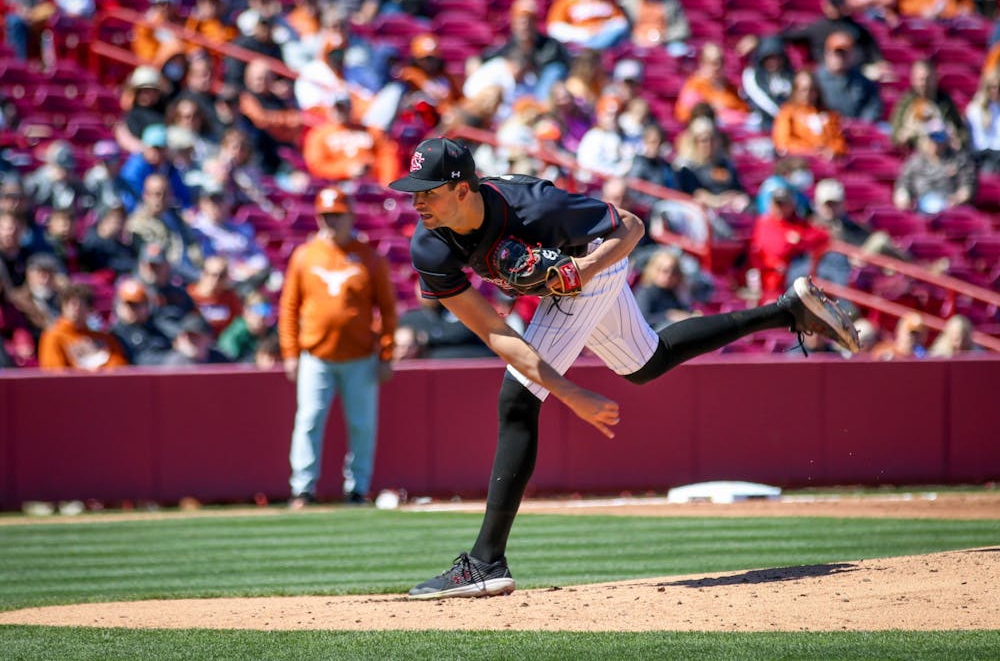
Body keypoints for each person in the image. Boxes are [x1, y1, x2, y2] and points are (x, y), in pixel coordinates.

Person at [387, 137, 859, 599]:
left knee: (517, 399)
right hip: (565, 282)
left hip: (594, 259)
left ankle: (487, 561)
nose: (418, 202)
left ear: (463, 189)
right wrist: (570, 391)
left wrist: (583, 272)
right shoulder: (429, 247)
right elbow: (497, 335)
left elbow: (630, 227)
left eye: (429, 191)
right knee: (646, 363)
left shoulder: (535, 206)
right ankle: (788, 311)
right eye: (415, 191)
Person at [279, 186, 397, 508]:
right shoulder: (304, 256)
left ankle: (357, 489)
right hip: (316, 355)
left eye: (337, 215)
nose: (332, 222)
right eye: (326, 216)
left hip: (360, 356)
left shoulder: (369, 257)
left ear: (350, 216)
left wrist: (386, 352)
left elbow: (387, 309)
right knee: (309, 420)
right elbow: (289, 307)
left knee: (361, 425)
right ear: (318, 217)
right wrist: (290, 353)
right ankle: (302, 489)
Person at [750, 186, 832, 302]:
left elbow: (823, 236)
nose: (780, 208)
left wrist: (801, 240)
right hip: (773, 284)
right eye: (777, 203)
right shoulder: (765, 223)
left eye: (784, 204)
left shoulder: (797, 222)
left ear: (792, 204)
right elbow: (777, 250)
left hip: (795, 281)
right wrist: (794, 244)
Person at [38, 283, 129, 370]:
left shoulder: (104, 338)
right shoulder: (53, 337)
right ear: (62, 307)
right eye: (69, 303)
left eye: (80, 303)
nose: (75, 308)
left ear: (90, 309)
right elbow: (54, 373)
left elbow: (119, 366)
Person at [893, 123, 976, 214]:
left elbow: (967, 187)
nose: (935, 143)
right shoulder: (915, 161)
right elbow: (903, 184)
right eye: (932, 138)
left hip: (950, 209)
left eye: (939, 138)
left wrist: (957, 199)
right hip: (920, 207)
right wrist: (903, 198)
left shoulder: (959, 160)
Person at [890, 60, 968, 151]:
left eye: (928, 79)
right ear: (913, 80)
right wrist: (903, 136)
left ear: (935, 78)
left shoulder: (945, 102)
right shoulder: (906, 103)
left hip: (945, 153)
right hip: (916, 155)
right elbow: (894, 135)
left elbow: (961, 131)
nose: (924, 84)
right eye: (921, 79)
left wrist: (958, 141)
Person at [772, 69, 848, 160]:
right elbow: (783, 142)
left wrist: (833, 150)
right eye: (803, 90)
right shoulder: (787, 112)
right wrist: (812, 151)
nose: (807, 94)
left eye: (811, 90)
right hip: (800, 162)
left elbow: (839, 141)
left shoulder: (829, 114)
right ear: (796, 90)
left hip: (828, 163)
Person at [674, 42, 750, 128]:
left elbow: (743, 109)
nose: (717, 66)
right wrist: (711, 109)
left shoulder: (729, 85)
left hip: (738, 127)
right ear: (702, 63)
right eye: (712, 62)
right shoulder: (695, 86)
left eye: (720, 61)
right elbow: (683, 115)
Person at [813, 31, 883, 124]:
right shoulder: (814, 80)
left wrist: (861, 124)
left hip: (855, 131)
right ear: (827, 54)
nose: (841, 58)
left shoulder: (862, 80)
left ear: (852, 55)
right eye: (837, 53)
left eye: (845, 54)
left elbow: (873, 105)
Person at [109, 277, 174, 365]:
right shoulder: (115, 334)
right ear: (118, 306)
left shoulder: (158, 329)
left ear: (147, 305)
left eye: (137, 305)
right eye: (128, 305)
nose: (132, 309)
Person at [633, 248, 699, 331]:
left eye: (674, 272)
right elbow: (641, 321)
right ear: (653, 270)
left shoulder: (674, 292)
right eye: (665, 271)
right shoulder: (645, 292)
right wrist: (668, 315)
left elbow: (683, 313)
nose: (669, 276)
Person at [741, 36, 794, 132]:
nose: (773, 62)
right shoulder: (751, 76)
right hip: (763, 126)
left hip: (789, 126)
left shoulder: (791, 76)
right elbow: (760, 101)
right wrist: (784, 116)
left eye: (777, 58)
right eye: (769, 58)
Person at [218, 290, 276, 362]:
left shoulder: (274, 334)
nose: (261, 315)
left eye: (266, 310)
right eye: (257, 310)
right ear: (246, 312)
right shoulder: (233, 336)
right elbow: (228, 361)